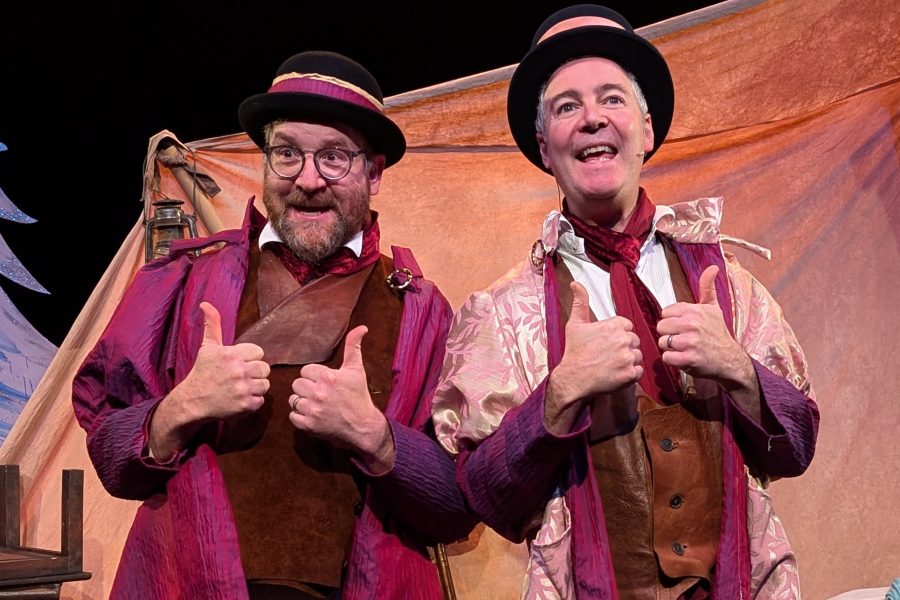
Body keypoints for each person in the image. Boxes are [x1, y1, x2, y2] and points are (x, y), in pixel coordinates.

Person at [432, 5, 820, 599]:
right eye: (567, 107)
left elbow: (797, 448)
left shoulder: (726, 281)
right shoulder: (503, 309)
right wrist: (558, 398)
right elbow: (484, 496)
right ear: (544, 146)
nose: (591, 119)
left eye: (611, 99)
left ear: (647, 129)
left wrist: (740, 371)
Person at [72, 50, 473, 600]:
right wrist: (179, 409)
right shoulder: (180, 282)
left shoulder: (421, 309)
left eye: (334, 157)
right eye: (287, 153)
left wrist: (377, 440)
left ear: (373, 172)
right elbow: (111, 459)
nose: (307, 180)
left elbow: (460, 505)